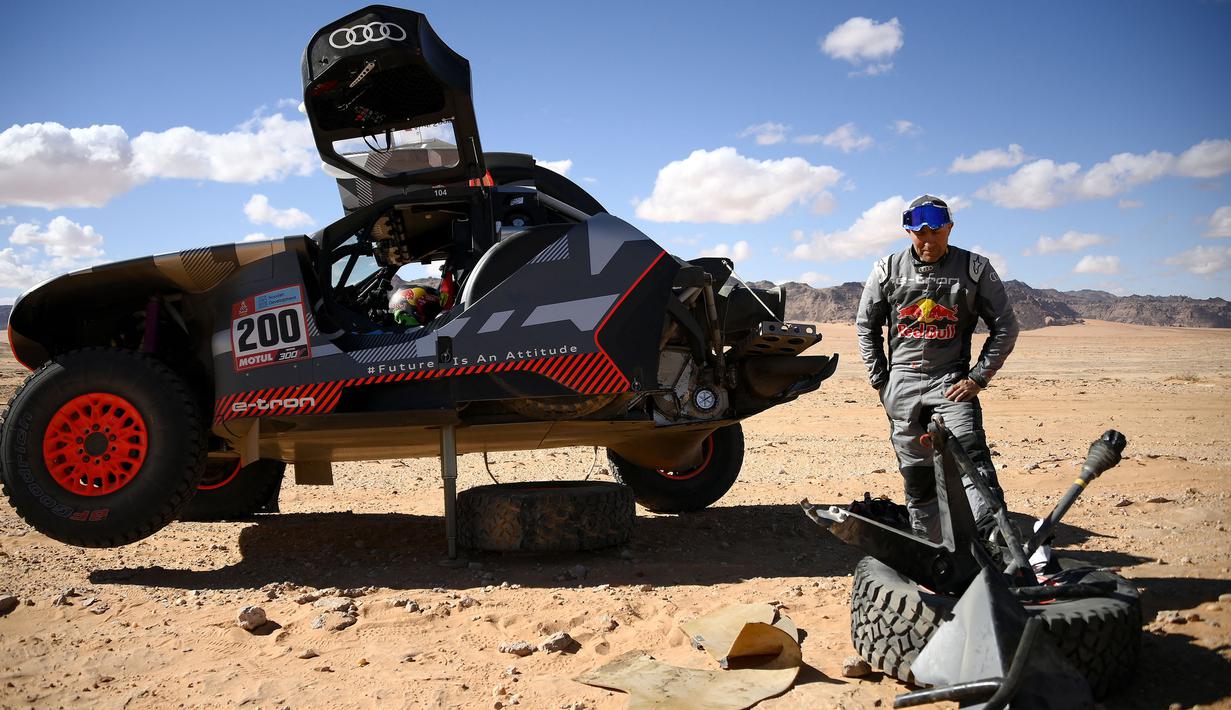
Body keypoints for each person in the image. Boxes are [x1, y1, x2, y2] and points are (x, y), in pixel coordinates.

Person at [855, 195, 1019, 541]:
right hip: (901, 384)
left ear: (950, 229)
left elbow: (1005, 326)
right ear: (908, 232)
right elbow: (865, 325)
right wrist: (879, 379)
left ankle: (997, 543)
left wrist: (978, 378)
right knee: (917, 475)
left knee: (972, 463)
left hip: (951, 381)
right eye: (920, 234)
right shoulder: (886, 270)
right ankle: (930, 548)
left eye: (937, 233)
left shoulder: (975, 269)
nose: (929, 241)